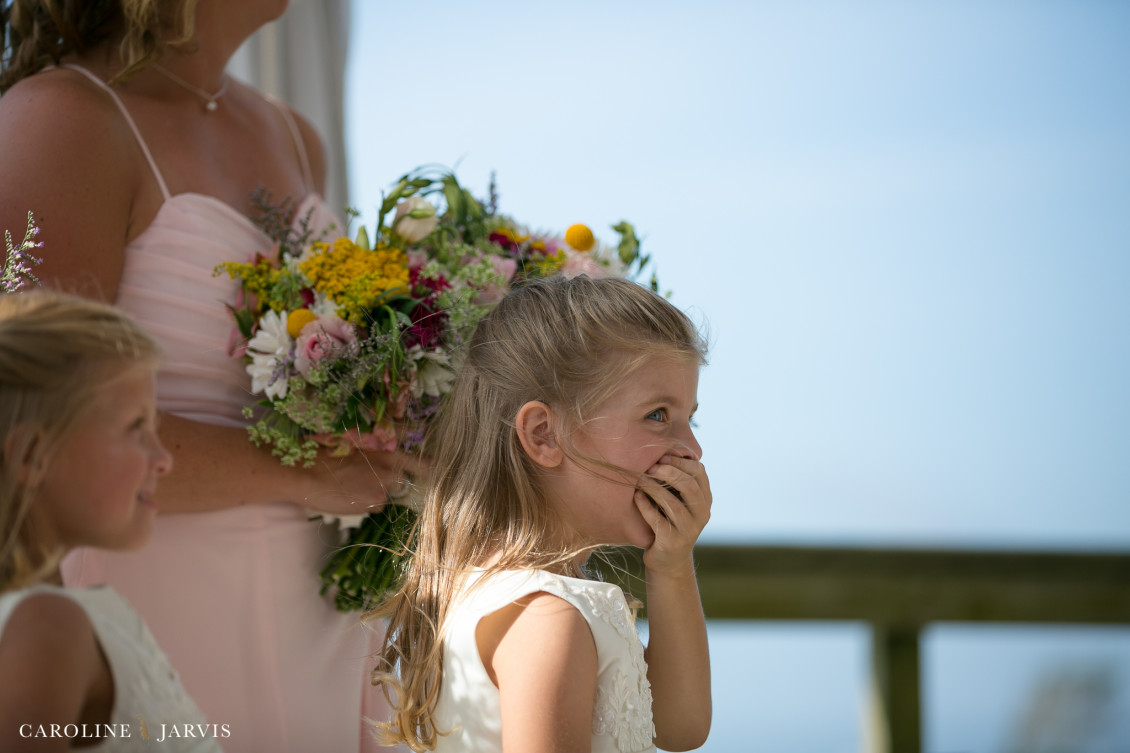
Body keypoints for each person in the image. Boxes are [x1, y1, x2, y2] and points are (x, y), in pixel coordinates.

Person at [0, 3, 423, 750]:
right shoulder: (60, 120)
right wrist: (307, 476)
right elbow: (33, 413)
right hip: (157, 579)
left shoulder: (296, 135)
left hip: (322, 596)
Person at [370, 275, 713, 753]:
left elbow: (680, 728)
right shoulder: (548, 618)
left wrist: (672, 566)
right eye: (658, 415)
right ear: (543, 435)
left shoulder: (507, 595)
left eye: (690, 419)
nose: (692, 450)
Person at [0, 290, 226, 752]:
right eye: (135, 428)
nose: (164, 459)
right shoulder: (46, 628)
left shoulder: (60, 619)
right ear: (31, 455)